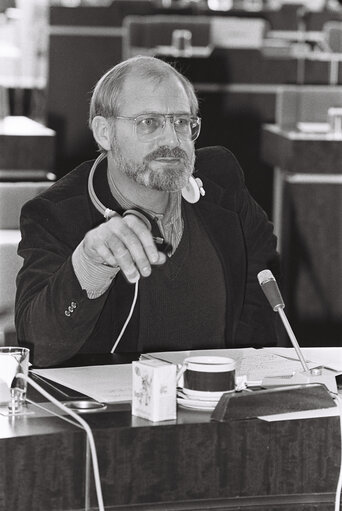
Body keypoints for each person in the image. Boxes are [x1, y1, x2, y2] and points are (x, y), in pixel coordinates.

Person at [15, 56, 279, 368]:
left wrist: (236, 370)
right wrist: (90, 263)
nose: (171, 140)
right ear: (104, 132)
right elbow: (38, 346)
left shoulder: (221, 178)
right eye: (148, 123)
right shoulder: (58, 214)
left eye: (181, 122)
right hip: (120, 409)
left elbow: (259, 268)